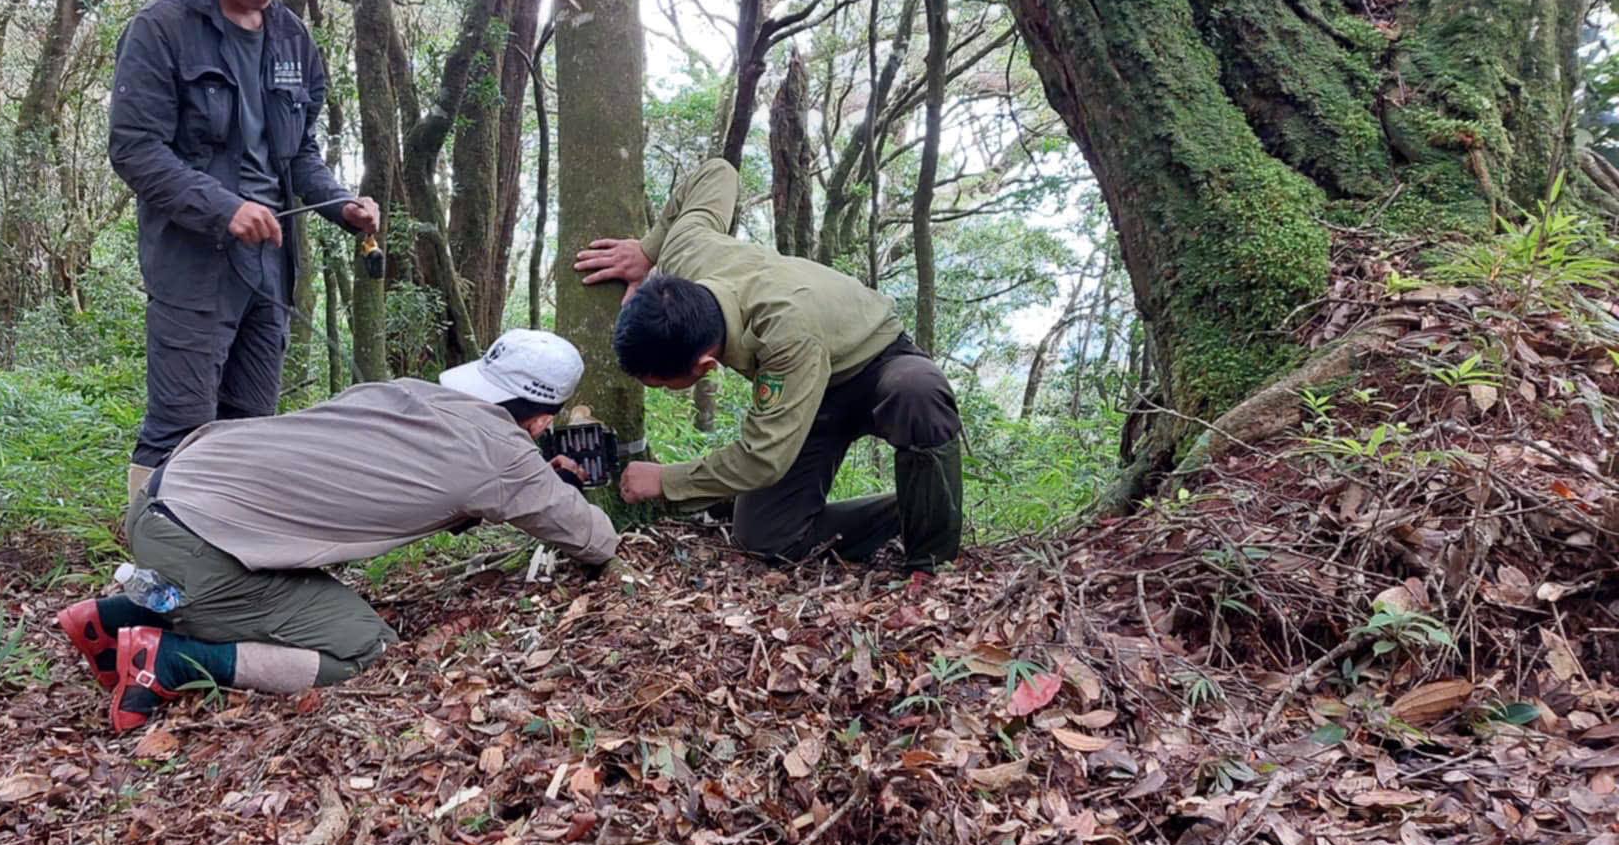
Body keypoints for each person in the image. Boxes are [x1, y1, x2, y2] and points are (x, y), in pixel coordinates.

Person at [56, 330, 617, 733]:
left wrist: (523, 481)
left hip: (163, 494)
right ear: (543, 420)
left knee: (229, 582)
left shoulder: (399, 392)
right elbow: (592, 540)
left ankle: (114, 619)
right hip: (206, 548)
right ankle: (170, 660)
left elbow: (415, 479)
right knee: (366, 649)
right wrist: (556, 495)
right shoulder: (502, 455)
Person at [108, 0, 381, 508]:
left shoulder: (292, 38)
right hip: (194, 262)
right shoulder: (162, 31)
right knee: (179, 425)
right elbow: (135, 150)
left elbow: (300, 155)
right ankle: (158, 563)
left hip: (272, 265)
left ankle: (228, 565)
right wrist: (224, 208)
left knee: (248, 424)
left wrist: (340, 204)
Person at [576, 158, 964, 572]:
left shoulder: (783, 333)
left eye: (667, 384)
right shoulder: (685, 250)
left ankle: (931, 556)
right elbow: (717, 172)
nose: (667, 390)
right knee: (767, 537)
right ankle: (912, 508)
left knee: (916, 390)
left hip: (876, 362)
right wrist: (648, 250)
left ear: (706, 365)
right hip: (811, 390)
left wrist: (667, 480)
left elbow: (763, 458)